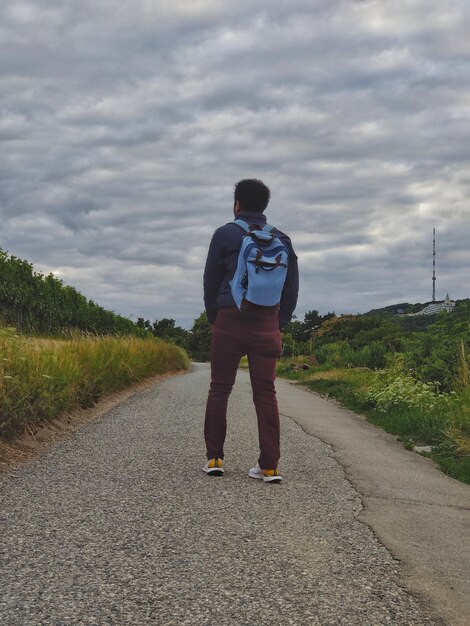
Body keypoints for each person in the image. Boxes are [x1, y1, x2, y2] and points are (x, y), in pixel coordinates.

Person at [202, 179, 299, 483]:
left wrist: (214, 316)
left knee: (220, 389)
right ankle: (269, 466)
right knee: (265, 392)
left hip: (230, 318)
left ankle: (215, 458)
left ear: (237, 205)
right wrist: (279, 323)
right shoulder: (282, 238)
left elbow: (210, 279)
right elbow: (291, 288)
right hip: (266, 322)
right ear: (264, 207)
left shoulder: (225, 234)